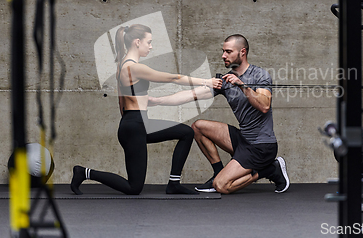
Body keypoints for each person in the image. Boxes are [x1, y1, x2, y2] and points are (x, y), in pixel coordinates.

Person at [70, 24, 222, 195]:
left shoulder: (122, 65)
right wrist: (206, 82)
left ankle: (174, 184)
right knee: (133, 188)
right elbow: (173, 78)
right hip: (134, 126)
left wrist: (137, 112)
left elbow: (122, 102)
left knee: (186, 132)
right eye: (148, 42)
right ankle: (84, 172)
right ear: (137, 42)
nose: (150, 46)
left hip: (138, 123)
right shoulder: (133, 67)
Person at [149, 34, 289, 194]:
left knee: (222, 186)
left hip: (262, 146)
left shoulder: (259, 75)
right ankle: (218, 172)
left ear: (242, 52)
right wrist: (155, 100)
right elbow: (190, 95)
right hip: (244, 140)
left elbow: (264, 106)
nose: (223, 56)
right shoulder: (225, 81)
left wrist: (243, 86)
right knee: (198, 127)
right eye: (223, 51)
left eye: (228, 51)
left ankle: (269, 170)